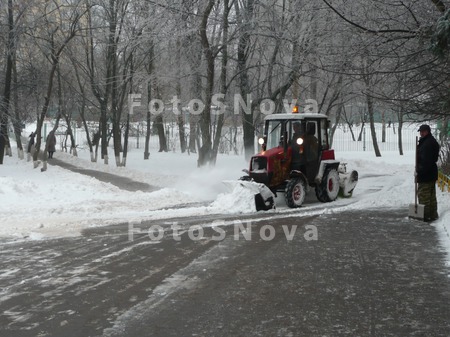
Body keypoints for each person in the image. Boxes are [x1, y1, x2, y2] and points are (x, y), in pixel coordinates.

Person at [416, 124, 440, 222]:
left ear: (427, 131)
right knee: (431, 196)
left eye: (423, 131)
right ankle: (432, 215)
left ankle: (425, 216)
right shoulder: (430, 141)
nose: (421, 133)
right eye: (420, 131)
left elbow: (426, 161)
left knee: (424, 196)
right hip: (431, 173)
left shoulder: (427, 144)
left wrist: (419, 171)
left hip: (426, 174)